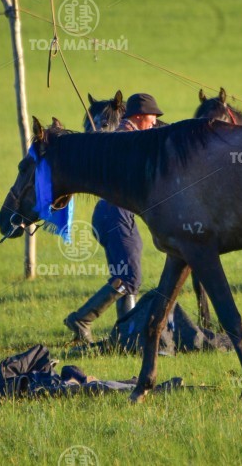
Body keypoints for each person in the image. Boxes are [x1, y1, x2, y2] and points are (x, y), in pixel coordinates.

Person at [64, 93, 164, 343]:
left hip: (117, 215)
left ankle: (125, 333)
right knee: (130, 277)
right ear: (139, 116)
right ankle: (82, 319)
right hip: (114, 215)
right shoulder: (126, 137)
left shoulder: (130, 134)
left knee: (128, 276)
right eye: (153, 117)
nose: (155, 122)